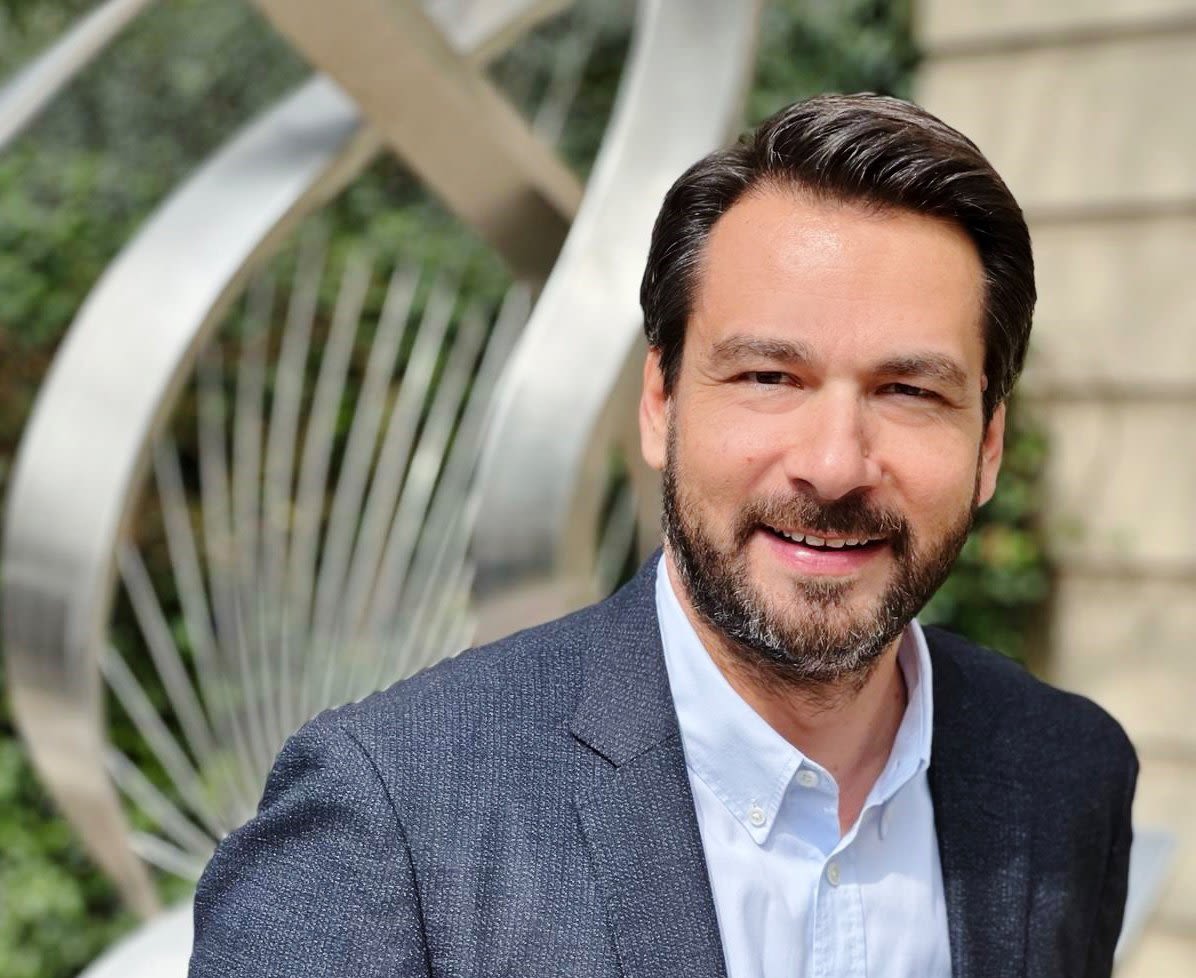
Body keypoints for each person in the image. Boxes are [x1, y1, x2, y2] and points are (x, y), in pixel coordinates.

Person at [189, 94, 1137, 978]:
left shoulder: (1064, 776)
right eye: (770, 377)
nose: (834, 464)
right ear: (660, 402)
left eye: (910, 391)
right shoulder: (388, 820)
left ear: (988, 445)